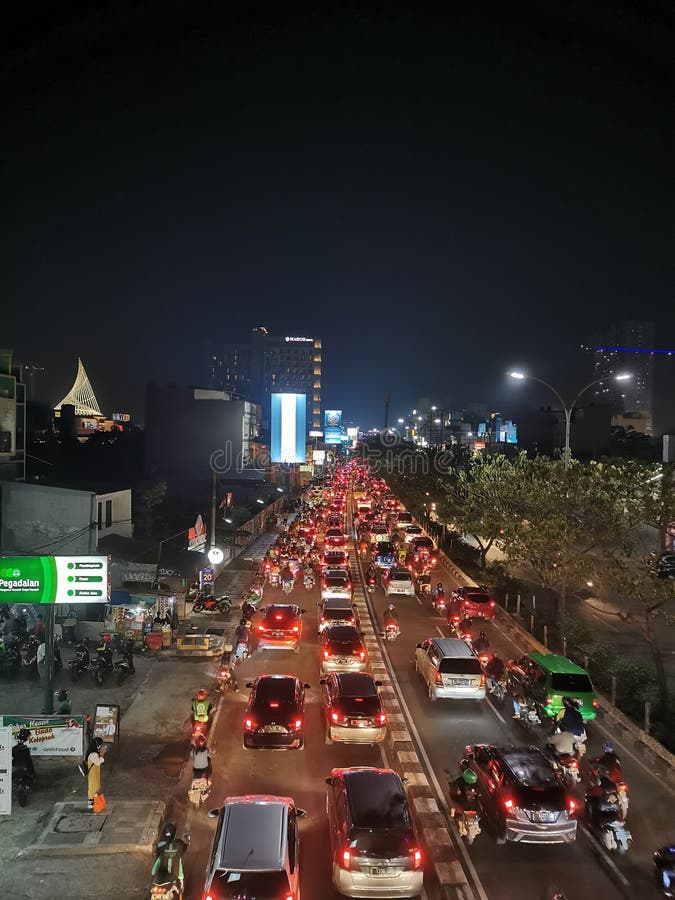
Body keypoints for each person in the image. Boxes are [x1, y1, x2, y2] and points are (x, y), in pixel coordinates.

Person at [152, 823, 188, 892]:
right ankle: (176, 889)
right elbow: (180, 873)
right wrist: (182, 884)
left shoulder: (162, 854)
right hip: (168, 881)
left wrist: (154, 875)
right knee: (177, 887)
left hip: (156, 881)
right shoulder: (177, 858)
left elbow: (153, 871)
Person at [85, 737, 106, 810]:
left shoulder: (93, 752)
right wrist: (102, 755)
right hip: (93, 773)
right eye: (99, 745)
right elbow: (98, 762)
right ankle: (91, 803)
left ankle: (95, 801)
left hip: (95, 773)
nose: (100, 746)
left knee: (96, 786)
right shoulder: (93, 754)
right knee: (93, 786)